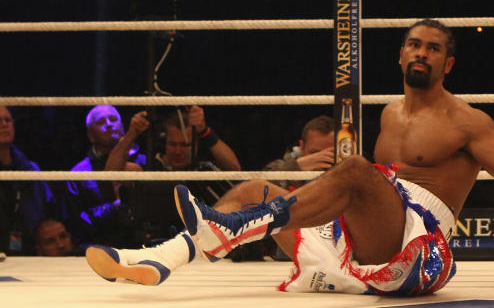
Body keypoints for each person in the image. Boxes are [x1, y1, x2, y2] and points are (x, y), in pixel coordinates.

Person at [84, 19, 494, 295]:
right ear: (400, 56)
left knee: (356, 169)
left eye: (434, 48)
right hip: (369, 241)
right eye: (415, 45)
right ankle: (161, 259)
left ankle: (231, 230)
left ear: (448, 63)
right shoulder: (390, 114)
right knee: (255, 189)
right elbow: (367, 198)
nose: (422, 53)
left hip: (419, 253)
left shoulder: (468, 121)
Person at [107, 106, 242, 243]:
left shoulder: (202, 170)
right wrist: (132, 133)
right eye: (172, 144)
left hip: (200, 245)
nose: (178, 151)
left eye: (185, 145)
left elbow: (235, 170)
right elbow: (110, 174)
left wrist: (205, 131)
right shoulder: (150, 168)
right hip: (152, 244)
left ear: (195, 145)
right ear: (164, 143)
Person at [65, 105, 146, 248]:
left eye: (113, 119)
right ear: (90, 135)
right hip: (99, 246)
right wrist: (113, 208)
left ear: (122, 127)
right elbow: (78, 220)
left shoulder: (144, 161)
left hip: (142, 244)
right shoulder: (78, 174)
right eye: (101, 121)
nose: (109, 124)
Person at [0, 105, 58, 255]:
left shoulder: (29, 168)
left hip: (29, 249)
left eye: (8, 120)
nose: (4, 124)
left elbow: (48, 209)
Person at [263, 115, 336, 189]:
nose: (322, 158)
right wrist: (295, 167)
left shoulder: (346, 169)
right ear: (302, 147)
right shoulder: (283, 166)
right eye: (315, 153)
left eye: (330, 153)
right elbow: (259, 187)